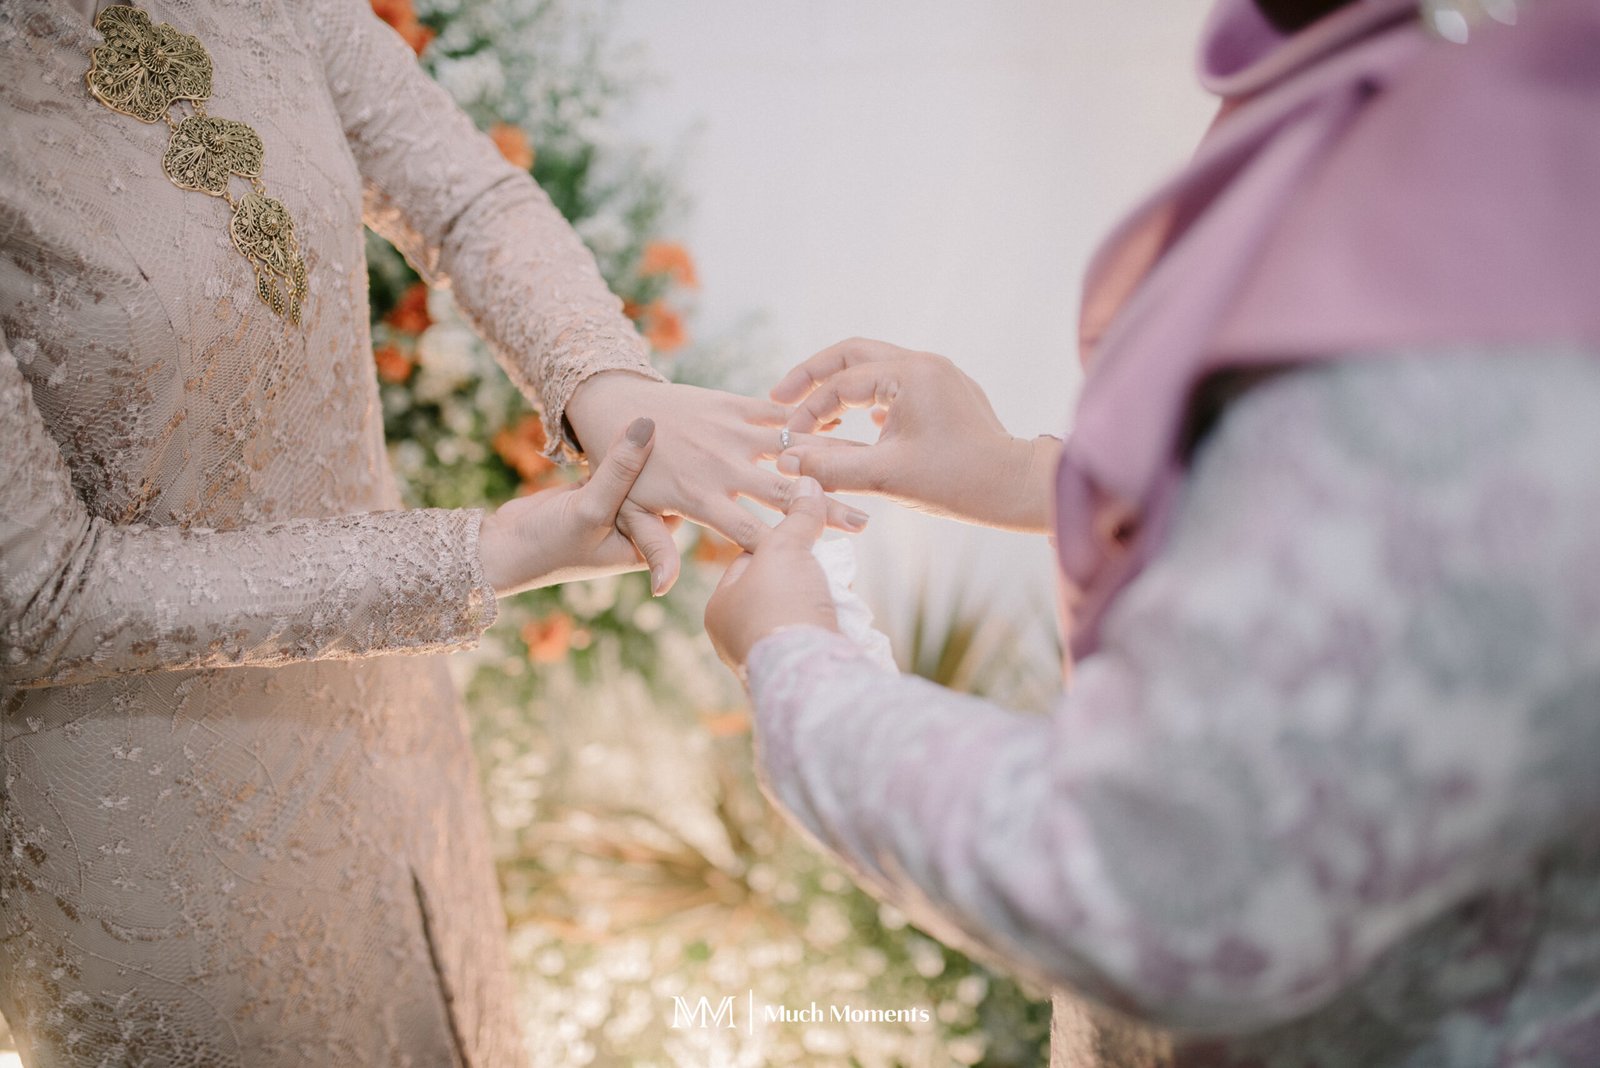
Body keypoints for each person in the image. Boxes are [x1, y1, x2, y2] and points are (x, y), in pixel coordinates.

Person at [705, 0, 1600, 1065]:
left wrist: (798, 661)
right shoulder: (1495, 131)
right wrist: (1030, 475)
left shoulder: (1503, 317)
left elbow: (1148, 880)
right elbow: (1362, 547)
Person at [0, 1, 859, 1064]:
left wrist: (606, 386)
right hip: (155, 831)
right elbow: (40, 592)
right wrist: (480, 556)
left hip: (389, 721)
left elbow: (465, 200)